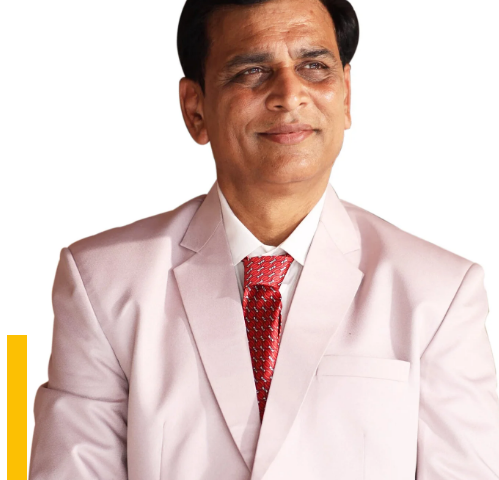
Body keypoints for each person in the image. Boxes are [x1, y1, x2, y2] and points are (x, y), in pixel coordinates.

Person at [28, 0, 499, 478]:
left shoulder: (438, 294)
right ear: (195, 109)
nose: (290, 95)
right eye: (252, 71)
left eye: (314, 67)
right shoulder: (103, 283)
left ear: (346, 96)